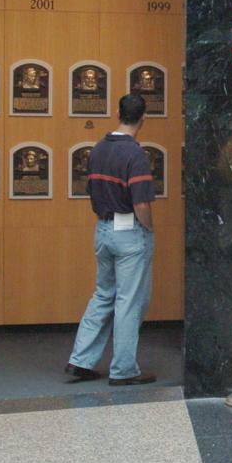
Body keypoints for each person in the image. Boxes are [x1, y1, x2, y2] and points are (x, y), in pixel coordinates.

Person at [66, 94, 156, 386]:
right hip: (129, 232)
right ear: (144, 118)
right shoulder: (135, 155)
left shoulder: (98, 148)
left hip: (102, 229)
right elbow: (141, 204)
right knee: (129, 302)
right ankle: (124, 370)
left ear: (118, 113)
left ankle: (80, 360)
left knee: (103, 295)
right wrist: (149, 229)